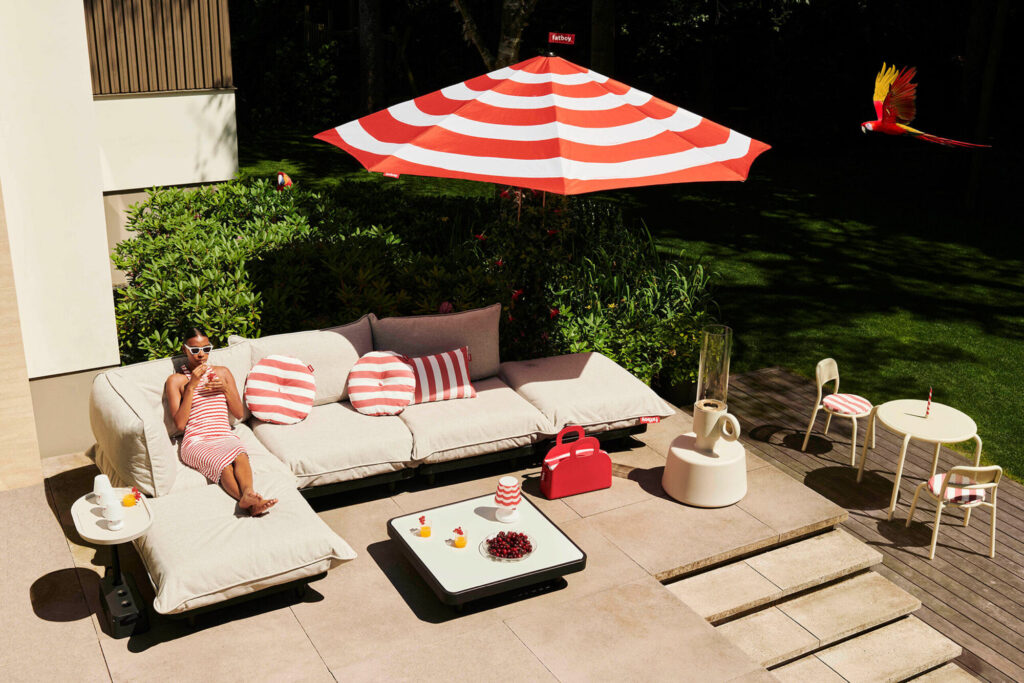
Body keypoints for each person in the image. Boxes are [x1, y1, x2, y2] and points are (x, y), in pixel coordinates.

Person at [165, 326, 277, 515]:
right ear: (185, 350)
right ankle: (248, 503)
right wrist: (191, 386)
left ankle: (249, 495)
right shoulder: (176, 381)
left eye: (206, 349)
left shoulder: (222, 373)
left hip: (223, 433)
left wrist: (225, 389)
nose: (201, 355)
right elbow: (180, 425)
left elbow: (239, 413)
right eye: (195, 350)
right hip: (196, 440)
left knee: (240, 455)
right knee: (223, 464)